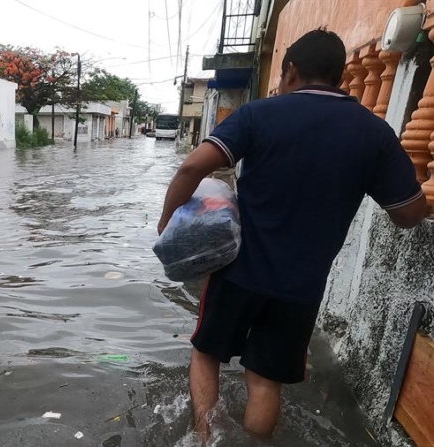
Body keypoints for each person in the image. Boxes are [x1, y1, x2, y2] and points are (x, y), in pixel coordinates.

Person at [156, 29, 426, 440]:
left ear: (292, 71)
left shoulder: (260, 114)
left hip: (237, 272)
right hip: (301, 287)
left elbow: (191, 168)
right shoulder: (374, 134)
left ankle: (205, 438)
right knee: (264, 381)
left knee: (206, 355)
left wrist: (168, 224)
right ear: (338, 75)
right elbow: (408, 214)